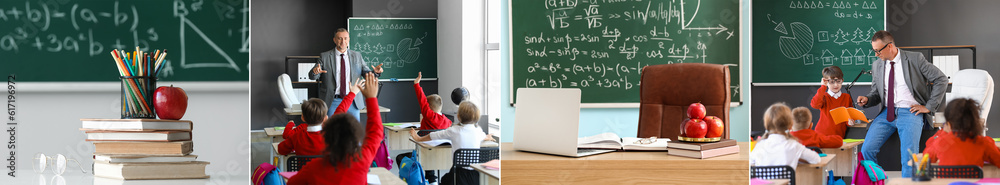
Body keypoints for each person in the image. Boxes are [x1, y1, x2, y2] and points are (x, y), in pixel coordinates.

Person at [856, 30, 948, 177]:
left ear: (890, 46)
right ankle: (875, 180)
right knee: (867, 150)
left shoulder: (915, 59)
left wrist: (929, 106)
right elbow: (876, 93)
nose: (875, 54)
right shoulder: (877, 65)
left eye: (877, 51)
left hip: (910, 112)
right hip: (887, 113)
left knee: (908, 158)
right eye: (873, 51)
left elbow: (941, 79)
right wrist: (867, 99)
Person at [287, 73, 382, 185]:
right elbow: (376, 133)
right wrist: (371, 98)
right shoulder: (362, 161)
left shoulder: (313, 168)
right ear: (357, 139)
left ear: (326, 137)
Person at [410, 101, 495, 185]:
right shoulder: (478, 131)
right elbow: (483, 136)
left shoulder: (454, 130)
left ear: (458, 116)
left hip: (457, 174)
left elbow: (434, 135)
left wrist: (419, 138)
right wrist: (488, 137)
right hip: (477, 175)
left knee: (444, 180)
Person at [309, 28, 384, 120]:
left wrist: (375, 72)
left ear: (349, 39)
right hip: (332, 101)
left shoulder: (357, 55)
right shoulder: (324, 56)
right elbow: (312, 76)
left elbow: (367, 74)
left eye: (345, 38)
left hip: (353, 101)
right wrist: (314, 72)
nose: (343, 41)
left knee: (354, 132)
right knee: (332, 131)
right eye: (340, 38)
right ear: (334, 40)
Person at [277, 79, 362, 155]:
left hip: (306, 172)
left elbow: (280, 149)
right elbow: (341, 110)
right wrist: (352, 93)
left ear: (303, 117)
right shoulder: (331, 134)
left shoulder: (297, 136)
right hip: (328, 172)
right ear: (325, 118)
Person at [922, 98, 1000, 167]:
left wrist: (943, 133)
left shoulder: (942, 142)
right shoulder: (984, 143)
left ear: (948, 124)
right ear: (976, 122)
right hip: (971, 183)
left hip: (946, 183)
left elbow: (926, 159)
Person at [750, 103, 821, 170]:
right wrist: (798, 158)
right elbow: (816, 159)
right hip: (787, 183)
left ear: (766, 125)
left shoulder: (760, 146)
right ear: (790, 126)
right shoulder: (794, 146)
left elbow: (750, 163)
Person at [810, 66, 854, 138]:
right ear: (826, 82)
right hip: (822, 135)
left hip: (839, 136)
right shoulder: (823, 96)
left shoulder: (846, 97)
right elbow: (814, 105)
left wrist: (850, 122)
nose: (836, 85)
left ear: (842, 81)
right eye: (832, 82)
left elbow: (848, 115)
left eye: (838, 81)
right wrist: (823, 87)